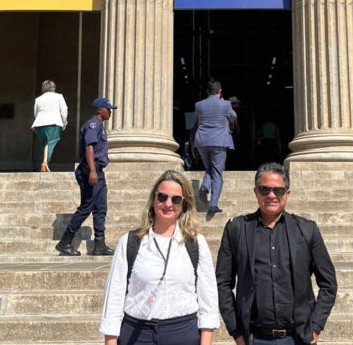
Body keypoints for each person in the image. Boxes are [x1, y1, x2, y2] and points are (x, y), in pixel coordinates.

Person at [216, 162, 337, 345]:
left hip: (297, 338)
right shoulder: (237, 229)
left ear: (287, 193)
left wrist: (315, 327)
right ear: (256, 192)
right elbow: (222, 284)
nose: (271, 195)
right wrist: (236, 332)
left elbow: (328, 283)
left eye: (278, 190)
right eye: (264, 190)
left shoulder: (307, 230)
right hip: (254, 338)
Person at [99, 170, 220, 345]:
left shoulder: (196, 244)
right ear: (153, 199)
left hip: (182, 333)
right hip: (137, 335)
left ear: (184, 205)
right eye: (162, 197)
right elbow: (113, 299)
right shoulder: (130, 242)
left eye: (176, 199)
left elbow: (208, 302)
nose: (168, 204)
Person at [55, 97, 117, 256]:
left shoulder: (100, 126)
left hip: (98, 171)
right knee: (86, 207)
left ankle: (99, 244)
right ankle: (65, 242)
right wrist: (92, 171)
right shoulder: (93, 125)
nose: (110, 112)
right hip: (90, 170)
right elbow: (89, 148)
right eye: (108, 109)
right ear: (99, 110)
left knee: (100, 208)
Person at [193, 78, 237, 214]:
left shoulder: (198, 105)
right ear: (220, 91)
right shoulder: (225, 104)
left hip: (202, 141)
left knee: (209, 168)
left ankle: (205, 187)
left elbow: (196, 120)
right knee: (217, 172)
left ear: (208, 91)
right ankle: (213, 204)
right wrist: (224, 104)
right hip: (219, 141)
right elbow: (233, 116)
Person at [31, 79, 69, 172]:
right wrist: (64, 122)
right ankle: (45, 163)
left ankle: (44, 162)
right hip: (53, 123)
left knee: (46, 142)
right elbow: (64, 109)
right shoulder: (59, 96)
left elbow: (35, 113)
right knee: (52, 141)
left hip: (39, 125)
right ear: (53, 88)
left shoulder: (38, 99)